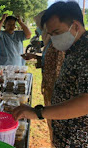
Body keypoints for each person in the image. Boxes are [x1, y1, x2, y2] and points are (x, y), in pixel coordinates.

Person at [13, 1, 88, 147]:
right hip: (69, 134)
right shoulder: (76, 48)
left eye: (56, 33)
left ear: (75, 26)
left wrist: (38, 113)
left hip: (84, 139)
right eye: (50, 34)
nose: (53, 39)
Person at [21, 10, 65, 144]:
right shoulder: (49, 43)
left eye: (39, 26)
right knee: (52, 123)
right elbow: (49, 62)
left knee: (55, 122)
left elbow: (58, 69)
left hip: (55, 91)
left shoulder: (57, 44)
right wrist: (35, 57)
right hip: (49, 88)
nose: (39, 30)